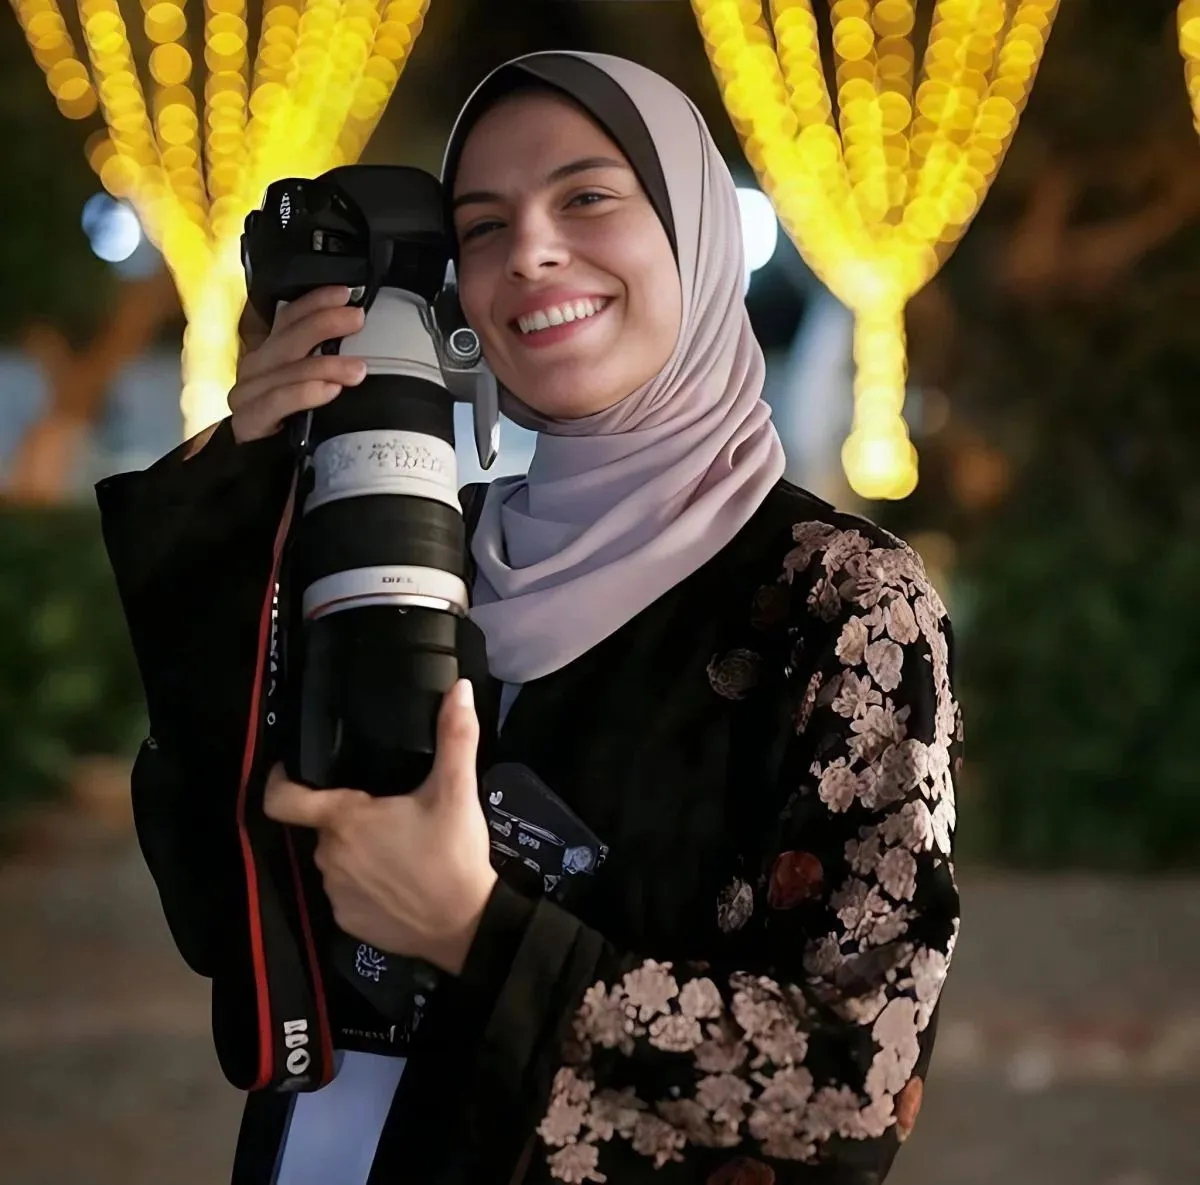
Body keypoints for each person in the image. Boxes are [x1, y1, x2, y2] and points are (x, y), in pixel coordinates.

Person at [96, 50, 961, 1185]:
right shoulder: (412, 549)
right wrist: (241, 502)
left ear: (695, 236)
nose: (530, 252)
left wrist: (477, 931)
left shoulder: (838, 602)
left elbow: (851, 1083)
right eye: (483, 226)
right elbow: (226, 916)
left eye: (587, 197)